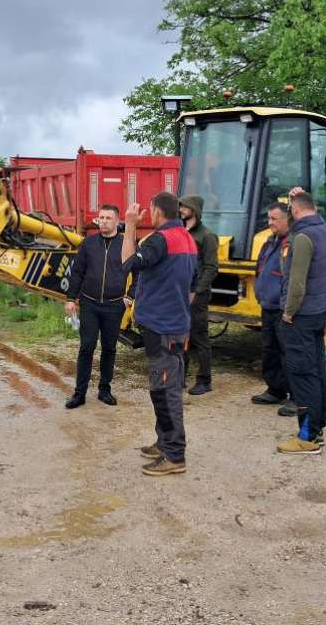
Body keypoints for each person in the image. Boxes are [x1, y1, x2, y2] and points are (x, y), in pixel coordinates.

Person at [121, 192, 197, 476]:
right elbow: (192, 287)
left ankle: (174, 455)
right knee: (162, 388)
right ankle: (164, 442)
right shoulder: (187, 238)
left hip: (162, 328)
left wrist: (130, 224)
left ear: (156, 211)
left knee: (166, 392)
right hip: (174, 325)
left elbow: (127, 262)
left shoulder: (161, 239)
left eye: (150, 210)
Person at [276, 188, 326, 455]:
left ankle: (307, 437)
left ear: (296, 210)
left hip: (300, 316)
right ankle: (317, 429)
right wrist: (299, 197)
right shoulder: (325, 231)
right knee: (317, 372)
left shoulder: (303, 237)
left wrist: (288, 312)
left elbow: (297, 284)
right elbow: (306, 208)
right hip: (318, 312)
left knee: (302, 375)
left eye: (290, 209)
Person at [64, 205, 129, 409]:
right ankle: (79, 393)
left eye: (108, 218)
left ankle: (104, 390)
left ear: (117, 221)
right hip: (89, 303)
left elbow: (139, 273)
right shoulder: (89, 243)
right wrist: (71, 298)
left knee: (109, 348)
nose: (103, 221)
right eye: (101, 218)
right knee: (87, 346)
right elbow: (77, 272)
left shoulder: (126, 244)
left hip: (114, 305)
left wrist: (130, 296)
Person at [251, 202, 291, 409]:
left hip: (283, 308)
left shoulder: (291, 244)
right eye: (269, 218)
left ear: (287, 219)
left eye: (274, 219)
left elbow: (291, 277)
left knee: (288, 352)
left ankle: (297, 395)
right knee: (270, 350)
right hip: (268, 306)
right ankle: (275, 389)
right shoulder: (270, 242)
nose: (270, 222)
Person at [178, 195, 219, 395]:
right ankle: (180, 376)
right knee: (179, 335)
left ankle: (204, 380)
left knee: (199, 337)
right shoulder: (180, 232)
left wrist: (197, 291)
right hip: (179, 293)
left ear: (194, 209)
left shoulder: (207, 236)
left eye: (185, 206)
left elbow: (211, 268)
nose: (181, 209)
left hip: (197, 296)